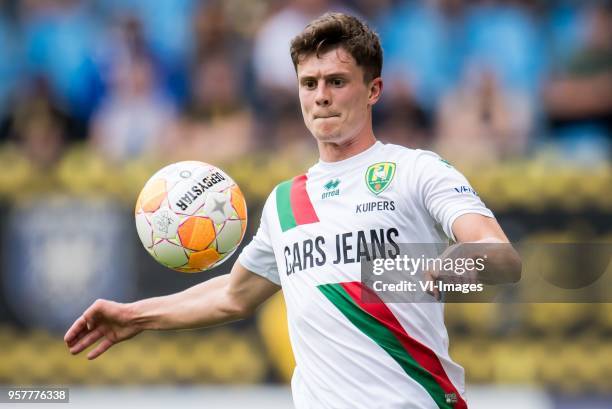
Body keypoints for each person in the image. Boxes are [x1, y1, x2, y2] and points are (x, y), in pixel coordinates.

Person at [65, 13, 521, 409]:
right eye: (309, 83)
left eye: (337, 81)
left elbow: (500, 257)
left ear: (373, 90)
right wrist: (135, 315)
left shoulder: (414, 170)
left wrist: (436, 269)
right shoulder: (285, 203)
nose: (321, 95)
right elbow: (233, 295)